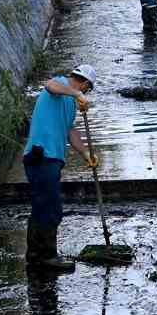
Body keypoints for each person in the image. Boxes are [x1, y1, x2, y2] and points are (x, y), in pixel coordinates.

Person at [22, 65, 98, 272]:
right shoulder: (61, 85)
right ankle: (47, 257)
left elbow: (70, 130)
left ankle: (35, 255)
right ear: (84, 83)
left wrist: (85, 154)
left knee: (41, 206)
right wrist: (76, 93)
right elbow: (50, 85)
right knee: (51, 207)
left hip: (51, 159)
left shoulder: (70, 103)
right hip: (42, 156)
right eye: (87, 89)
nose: (86, 93)